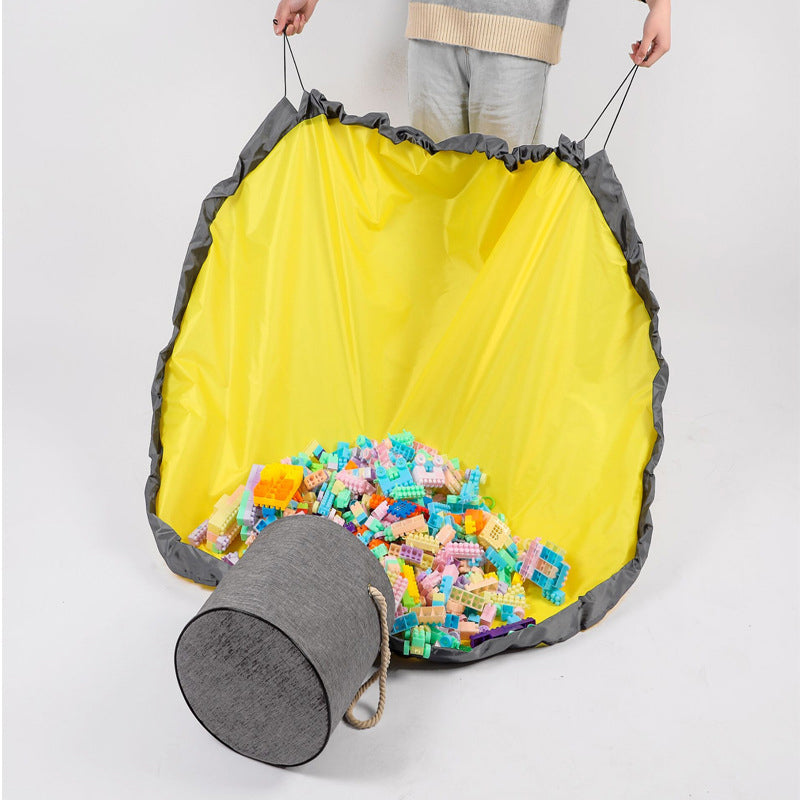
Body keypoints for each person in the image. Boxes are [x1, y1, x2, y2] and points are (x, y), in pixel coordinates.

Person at [272, 0, 671, 149]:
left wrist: (659, 3)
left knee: (504, 212)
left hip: (519, 35)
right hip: (432, 28)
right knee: (432, 203)